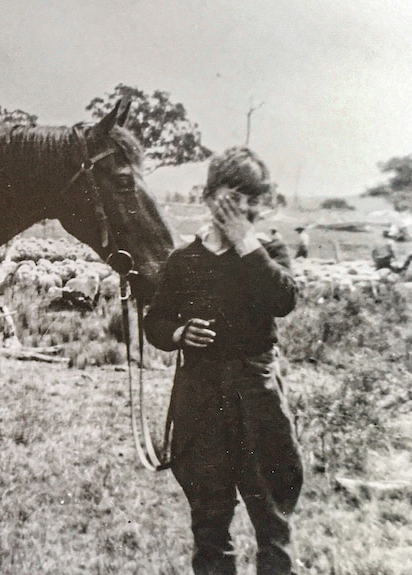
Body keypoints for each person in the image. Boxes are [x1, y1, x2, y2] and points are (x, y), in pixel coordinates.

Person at [144, 147, 304, 575]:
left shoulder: (267, 252)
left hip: (257, 398)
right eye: (236, 198)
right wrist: (178, 334)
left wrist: (245, 242)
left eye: (255, 200)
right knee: (210, 519)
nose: (246, 209)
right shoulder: (185, 260)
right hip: (202, 400)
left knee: (272, 514)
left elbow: (283, 300)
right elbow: (155, 320)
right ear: (210, 196)